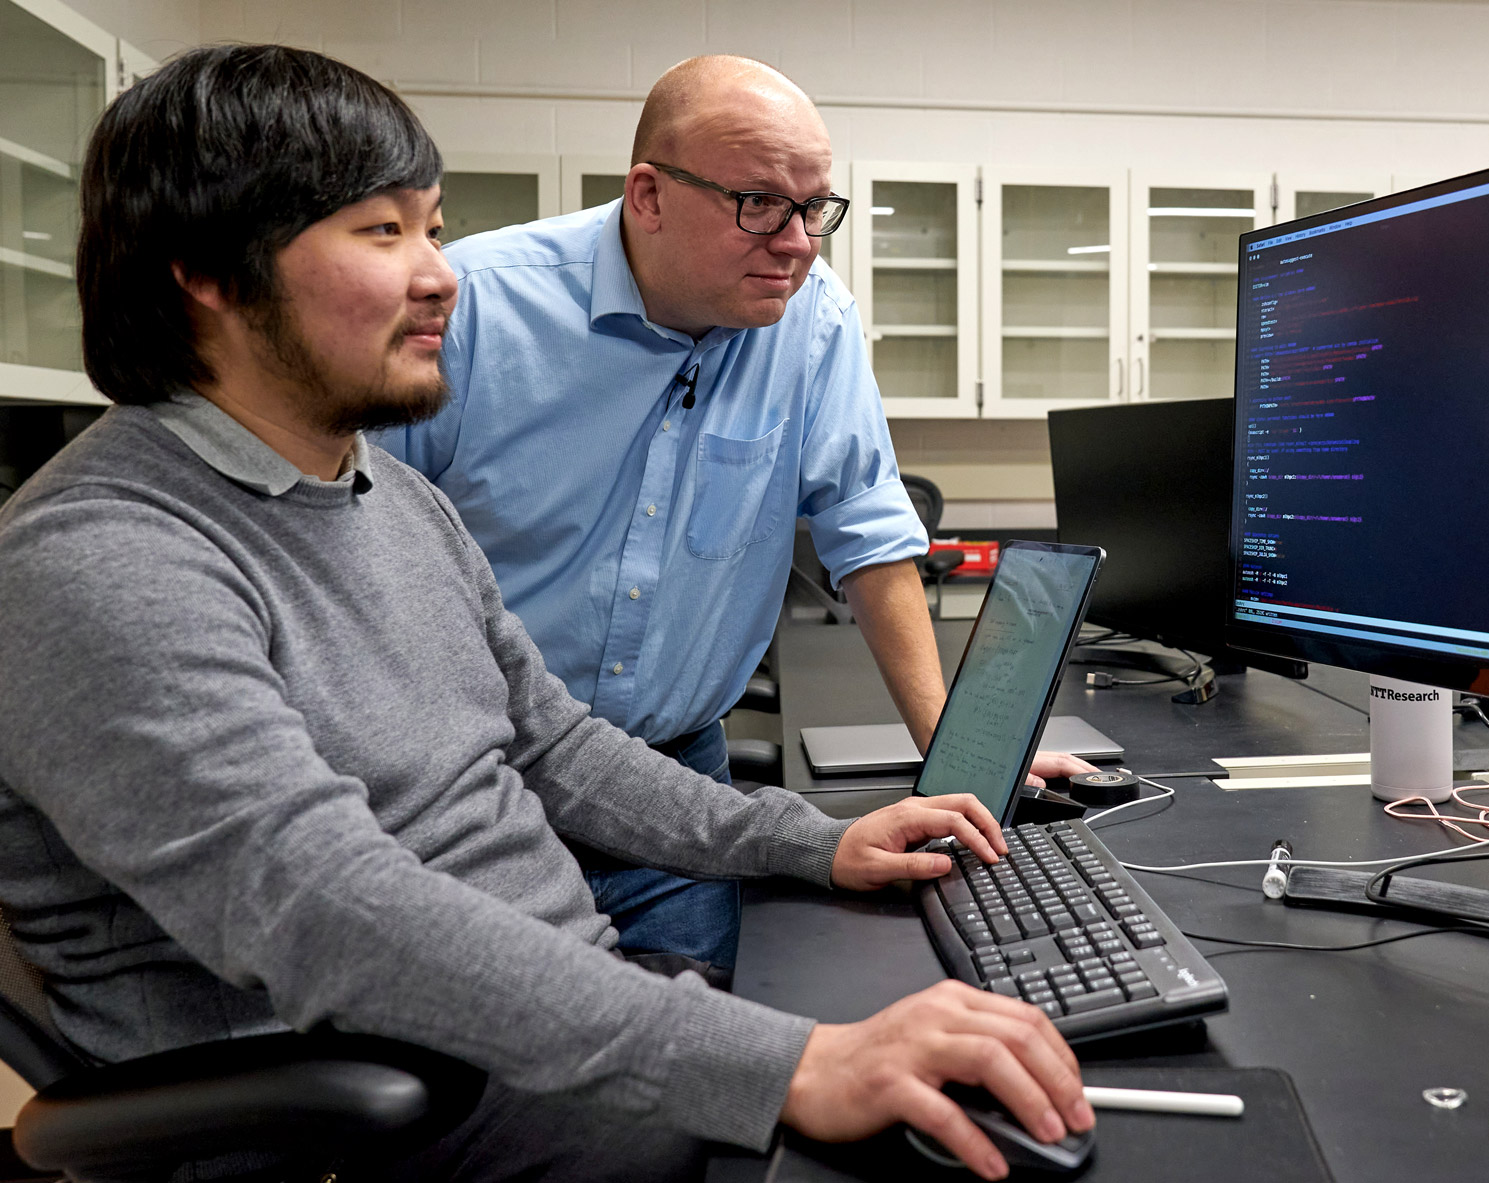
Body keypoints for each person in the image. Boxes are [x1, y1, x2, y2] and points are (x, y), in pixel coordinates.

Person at [0, 45, 1088, 1182]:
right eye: (383, 233)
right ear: (208, 274)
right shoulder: (104, 558)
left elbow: (550, 741)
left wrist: (812, 843)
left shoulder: (384, 492)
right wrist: (783, 1063)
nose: (441, 276)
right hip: (371, 1107)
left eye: (432, 227)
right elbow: (318, 907)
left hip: (528, 1027)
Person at [374, 55, 1091, 970]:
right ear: (649, 195)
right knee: (507, 1069)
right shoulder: (474, 310)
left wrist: (960, 757)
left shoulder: (814, 321)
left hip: (681, 783)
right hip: (482, 783)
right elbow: (372, 550)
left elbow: (866, 534)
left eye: (815, 209)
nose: (796, 242)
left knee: (691, 1041)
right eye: (759, 204)